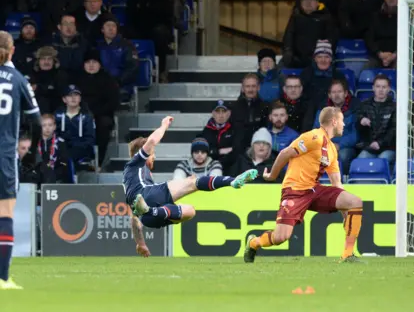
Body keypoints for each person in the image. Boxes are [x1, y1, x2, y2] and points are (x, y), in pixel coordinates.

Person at [124, 116, 258, 257]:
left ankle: (152, 211)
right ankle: (231, 181)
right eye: (153, 154)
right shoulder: (136, 161)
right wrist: (164, 125)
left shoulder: (129, 181)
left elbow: (134, 218)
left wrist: (141, 243)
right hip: (149, 195)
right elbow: (152, 141)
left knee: (190, 211)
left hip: (148, 218)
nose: (154, 158)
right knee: (192, 182)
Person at [244, 107, 364, 263]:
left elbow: (337, 184)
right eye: (342, 121)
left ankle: (348, 254)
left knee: (354, 202)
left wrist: (345, 211)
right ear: (334, 121)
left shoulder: (332, 149)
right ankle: (254, 243)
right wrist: (272, 176)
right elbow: (285, 153)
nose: (344, 125)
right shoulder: (313, 137)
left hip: (313, 190)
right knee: (281, 237)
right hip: (295, 190)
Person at [0, 30, 41, 289]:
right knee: (5, 215)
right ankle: (2, 278)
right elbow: (36, 120)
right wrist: (33, 151)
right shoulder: (17, 79)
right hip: (4, 155)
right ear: (12, 50)